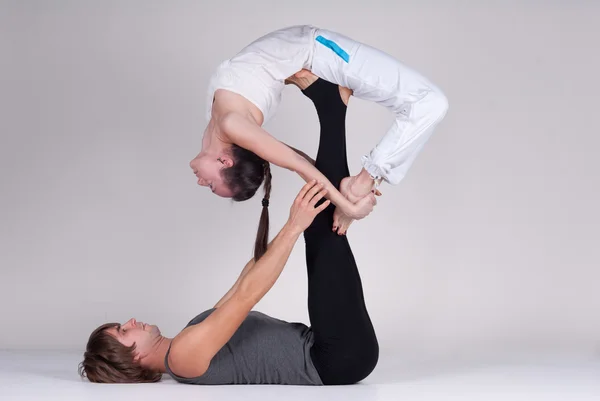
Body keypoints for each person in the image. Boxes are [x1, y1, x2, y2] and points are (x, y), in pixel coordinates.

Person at [79, 79, 379, 386]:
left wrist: (296, 223)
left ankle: (334, 113)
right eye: (123, 331)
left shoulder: (188, 335)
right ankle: (333, 107)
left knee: (318, 217)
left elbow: (244, 283)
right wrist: (294, 225)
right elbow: (248, 296)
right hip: (335, 359)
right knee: (319, 221)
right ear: (134, 359)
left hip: (333, 350)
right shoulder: (183, 357)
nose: (129, 322)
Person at [189, 25, 449, 261]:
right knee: (429, 103)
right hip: (314, 57)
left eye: (212, 185)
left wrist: (349, 207)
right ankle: (358, 183)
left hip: (319, 51)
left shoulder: (228, 125)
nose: (201, 182)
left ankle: (361, 184)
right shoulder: (225, 131)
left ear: (225, 161)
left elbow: (294, 162)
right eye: (209, 184)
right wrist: (337, 195)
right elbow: (292, 157)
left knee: (429, 102)